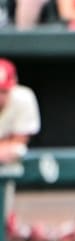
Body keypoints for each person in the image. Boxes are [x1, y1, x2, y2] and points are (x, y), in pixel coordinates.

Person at [0, 58, 40, 232]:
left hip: (5, 164)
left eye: (3, 91)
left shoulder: (23, 99)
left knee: (11, 161)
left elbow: (18, 142)